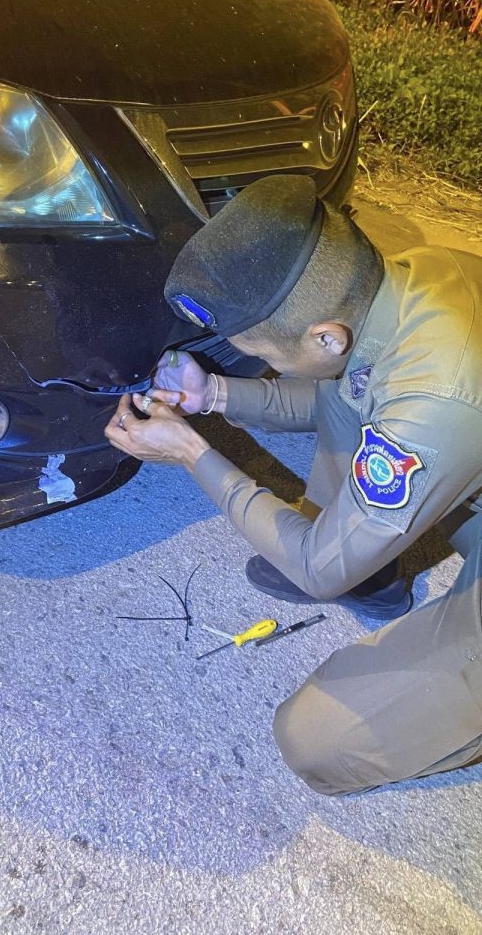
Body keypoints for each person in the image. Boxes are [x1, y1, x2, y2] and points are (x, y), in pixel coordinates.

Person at [105, 175, 482, 795]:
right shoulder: (411, 284)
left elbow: (316, 567)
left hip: (455, 434)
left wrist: (193, 452)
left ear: (326, 335)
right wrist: (212, 394)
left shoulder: (435, 398)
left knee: (317, 741)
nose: (274, 369)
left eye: (272, 358)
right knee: (346, 395)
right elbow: (346, 391)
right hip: (462, 451)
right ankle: (373, 574)